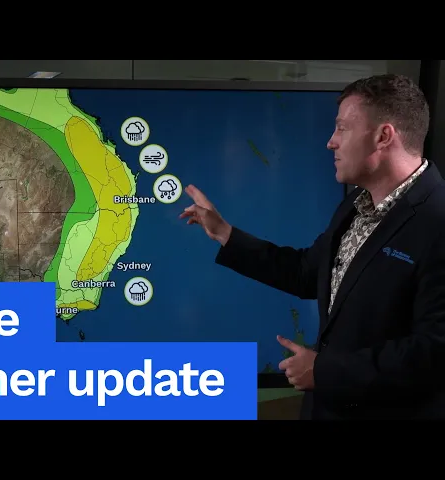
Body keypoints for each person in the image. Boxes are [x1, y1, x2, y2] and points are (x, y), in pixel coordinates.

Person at [180, 74, 445, 420]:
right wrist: (225, 234)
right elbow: (308, 272)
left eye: (342, 128)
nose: (331, 142)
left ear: (383, 136)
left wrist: (326, 371)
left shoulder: (437, 220)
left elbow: (434, 351)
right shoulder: (354, 206)